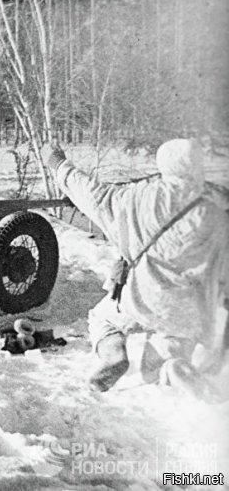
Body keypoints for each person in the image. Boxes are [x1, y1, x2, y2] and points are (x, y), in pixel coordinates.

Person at [45, 139, 229, 394]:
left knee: (102, 318)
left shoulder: (136, 197)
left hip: (140, 299)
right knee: (172, 345)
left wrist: (58, 163)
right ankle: (170, 367)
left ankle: (112, 352)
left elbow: (91, 194)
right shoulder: (214, 214)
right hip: (187, 310)